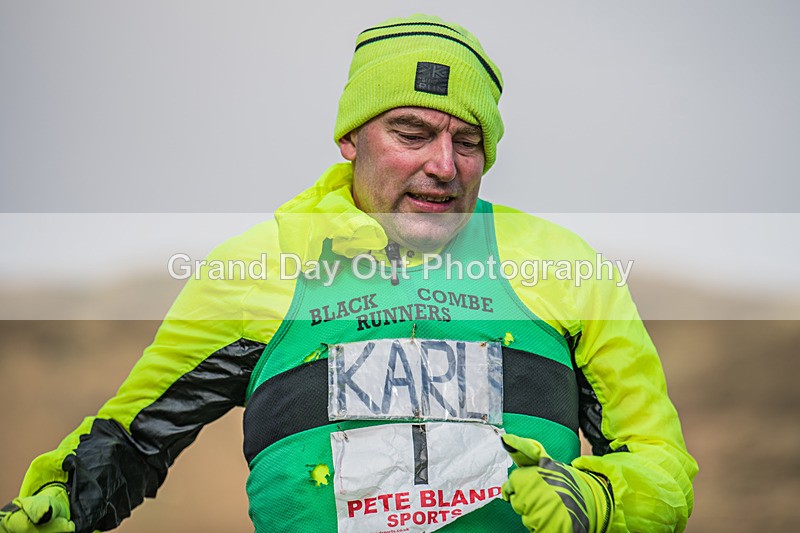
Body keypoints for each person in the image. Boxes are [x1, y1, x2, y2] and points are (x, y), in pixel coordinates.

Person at [0, 13, 697, 533]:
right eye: (412, 133)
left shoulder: (565, 265)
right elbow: (130, 441)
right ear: (350, 137)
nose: (444, 165)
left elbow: (661, 464)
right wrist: (55, 507)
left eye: (468, 141)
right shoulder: (255, 268)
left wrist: (603, 499)